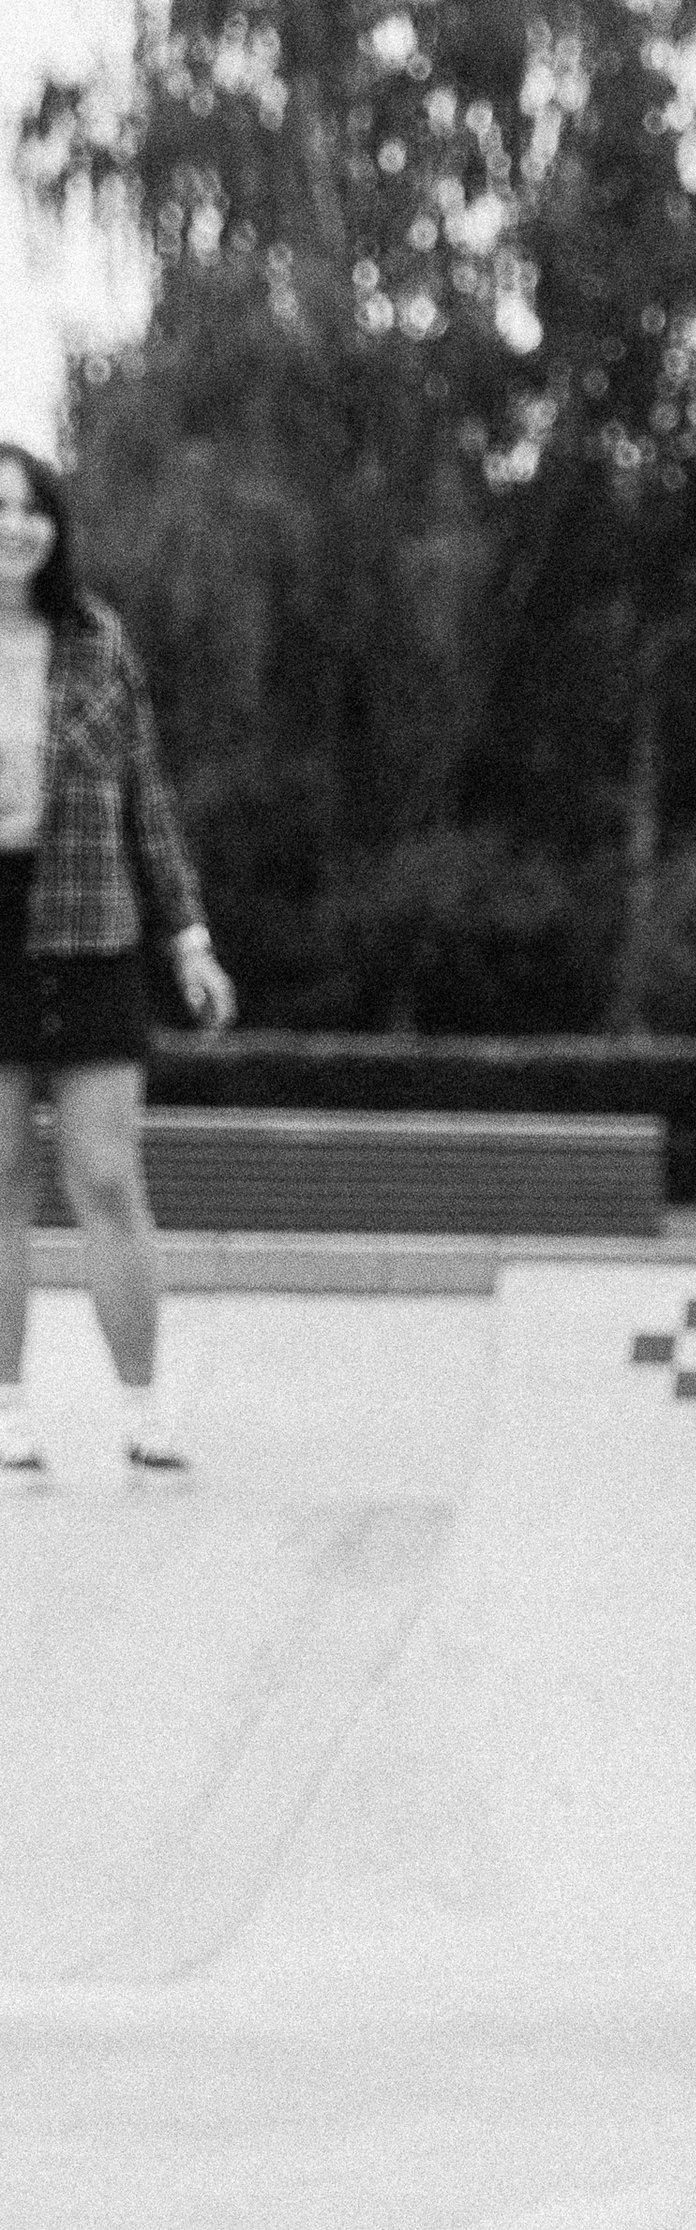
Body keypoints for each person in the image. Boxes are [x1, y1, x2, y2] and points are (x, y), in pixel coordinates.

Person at [0, 441, 235, 1482]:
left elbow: (148, 799)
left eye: (30, 509)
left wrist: (188, 934)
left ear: (54, 526)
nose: (13, 526)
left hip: (90, 924)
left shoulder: (97, 641)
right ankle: (5, 1414)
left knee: (106, 1175)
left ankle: (144, 1410)